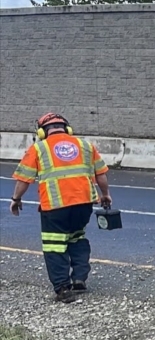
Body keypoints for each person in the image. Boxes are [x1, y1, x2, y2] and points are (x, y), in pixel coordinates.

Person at [9, 112, 113, 303]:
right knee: (77, 237)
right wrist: (105, 194)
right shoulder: (85, 146)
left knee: (54, 246)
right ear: (67, 128)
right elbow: (101, 174)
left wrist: (16, 199)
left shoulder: (39, 148)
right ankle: (79, 277)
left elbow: (24, 179)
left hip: (55, 206)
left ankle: (63, 289)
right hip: (84, 203)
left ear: (42, 131)